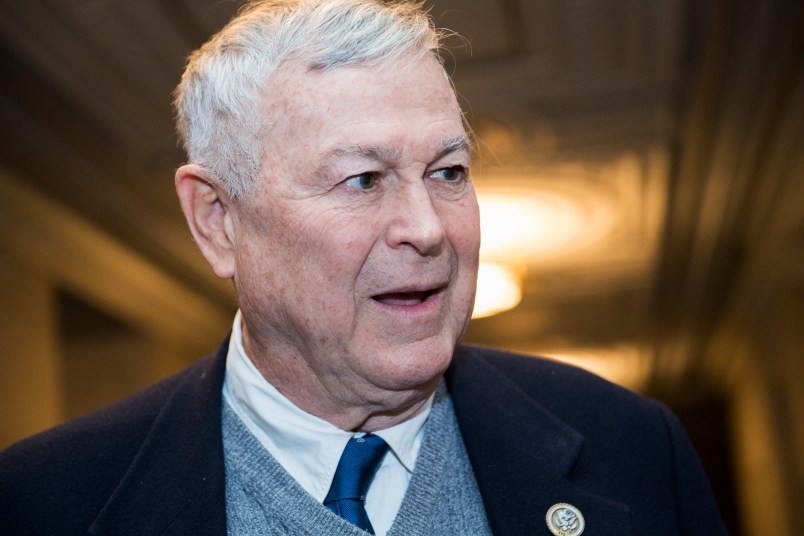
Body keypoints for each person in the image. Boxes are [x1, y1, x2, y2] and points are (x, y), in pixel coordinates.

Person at [0, 1, 727, 535]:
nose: (427, 229)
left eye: (448, 172)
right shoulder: (43, 501)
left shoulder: (632, 447)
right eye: (363, 180)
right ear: (218, 221)